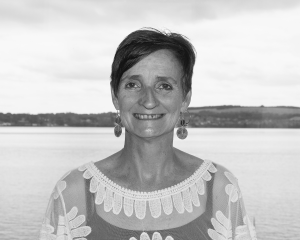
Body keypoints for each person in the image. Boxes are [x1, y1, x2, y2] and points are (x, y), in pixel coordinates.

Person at [39, 28, 257, 240]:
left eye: (164, 86)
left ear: (185, 99)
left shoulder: (220, 189)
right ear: (115, 96)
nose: (149, 100)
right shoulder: (73, 193)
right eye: (133, 84)